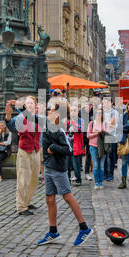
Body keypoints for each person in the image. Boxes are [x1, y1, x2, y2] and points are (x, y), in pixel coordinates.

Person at [37, 100, 94, 246]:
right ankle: (53, 231)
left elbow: (68, 149)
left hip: (58, 169)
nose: (48, 112)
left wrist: (53, 147)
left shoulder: (59, 129)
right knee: (49, 199)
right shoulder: (49, 125)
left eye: (51, 110)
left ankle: (84, 228)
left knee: (67, 196)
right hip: (49, 167)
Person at [5, 96, 45, 216]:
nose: (30, 104)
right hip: (24, 151)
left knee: (33, 179)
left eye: (32, 102)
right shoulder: (20, 117)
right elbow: (11, 126)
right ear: (26, 106)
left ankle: (27, 201)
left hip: (36, 150)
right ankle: (21, 206)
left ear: (35, 105)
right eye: (28, 103)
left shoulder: (40, 118)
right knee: (23, 179)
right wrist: (8, 116)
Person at [87, 107, 108, 190]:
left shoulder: (105, 124)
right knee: (95, 166)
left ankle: (101, 182)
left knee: (102, 166)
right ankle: (96, 182)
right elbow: (88, 135)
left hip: (103, 147)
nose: (99, 114)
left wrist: (104, 133)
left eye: (100, 113)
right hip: (93, 147)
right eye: (98, 113)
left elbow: (109, 136)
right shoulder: (91, 123)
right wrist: (97, 133)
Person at [67, 105, 85, 186]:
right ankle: (67, 180)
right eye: (71, 111)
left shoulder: (81, 120)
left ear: (78, 112)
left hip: (76, 145)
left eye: (75, 111)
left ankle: (78, 179)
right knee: (67, 165)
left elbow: (81, 130)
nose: (73, 112)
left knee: (76, 165)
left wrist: (74, 123)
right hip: (67, 145)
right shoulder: (66, 120)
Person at [102, 98, 119, 182]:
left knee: (111, 156)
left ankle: (110, 174)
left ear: (112, 103)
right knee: (104, 156)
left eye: (107, 102)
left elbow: (113, 123)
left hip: (112, 136)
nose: (106, 104)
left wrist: (105, 123)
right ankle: (105, 174)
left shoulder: (114, 112)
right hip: (103, 136)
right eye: (104, 102)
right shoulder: (102, 112)